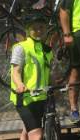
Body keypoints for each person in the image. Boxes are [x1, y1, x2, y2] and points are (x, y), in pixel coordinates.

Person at [10, 12, 51, 140]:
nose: (39, 31)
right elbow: (15, 71)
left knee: (27, 131)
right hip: (25, 98)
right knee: (37, 135)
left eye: (42, 27)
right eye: (34, 28)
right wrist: (20, 84)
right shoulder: (20, 48)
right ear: (28, 30)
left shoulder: (47, 50)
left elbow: (47, 71)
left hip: (41, 97)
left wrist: (56, 81)